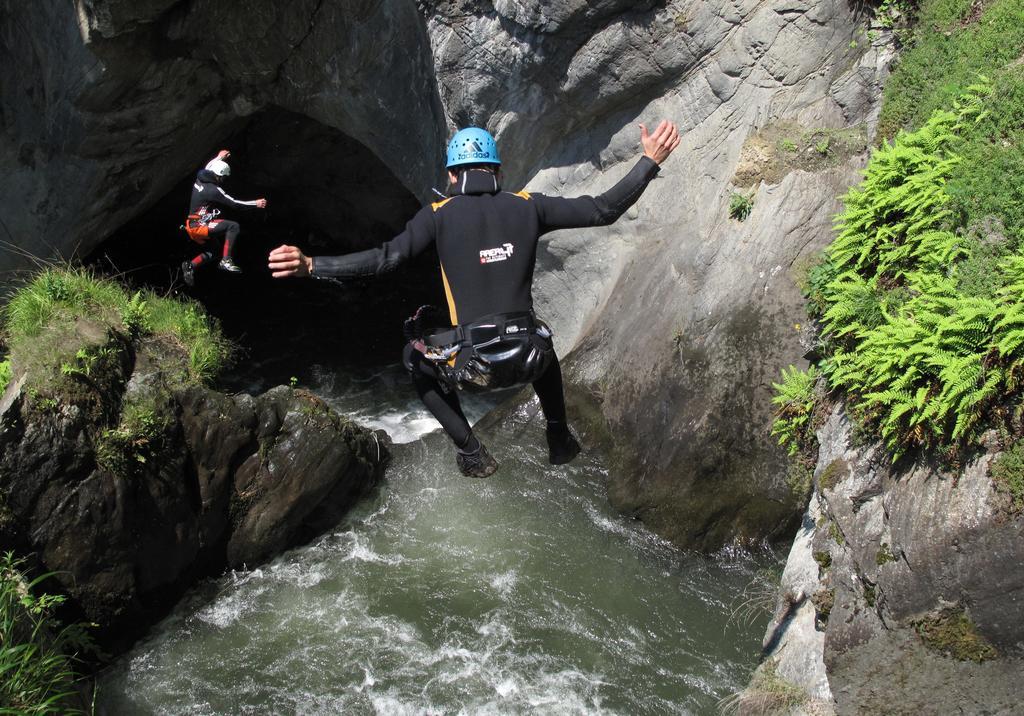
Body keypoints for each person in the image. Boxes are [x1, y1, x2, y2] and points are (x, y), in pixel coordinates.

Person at [268, 121, 680, 477]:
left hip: (473, 364)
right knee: (541, 336)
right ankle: (557, 434)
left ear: (451, 176)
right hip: (529, 357)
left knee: (414, 358)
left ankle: (471, 451)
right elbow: (603, 209)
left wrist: (312, 264)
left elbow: (385, 258)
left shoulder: (437, 213)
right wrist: (649, 161)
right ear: (497, 171)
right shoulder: (529, 206)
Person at [181, 149, 267, 286]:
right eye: (224, 178)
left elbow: (208, 167)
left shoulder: (200, 178)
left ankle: (190, 266)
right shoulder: (213, 190)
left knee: (214, 250)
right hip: (198, 226)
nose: (223, 180)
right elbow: (235, 204)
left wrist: (219, 157)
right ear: (219, 176)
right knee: (233, 226)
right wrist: (255, 203)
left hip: (192, 224)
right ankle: (226, 260)